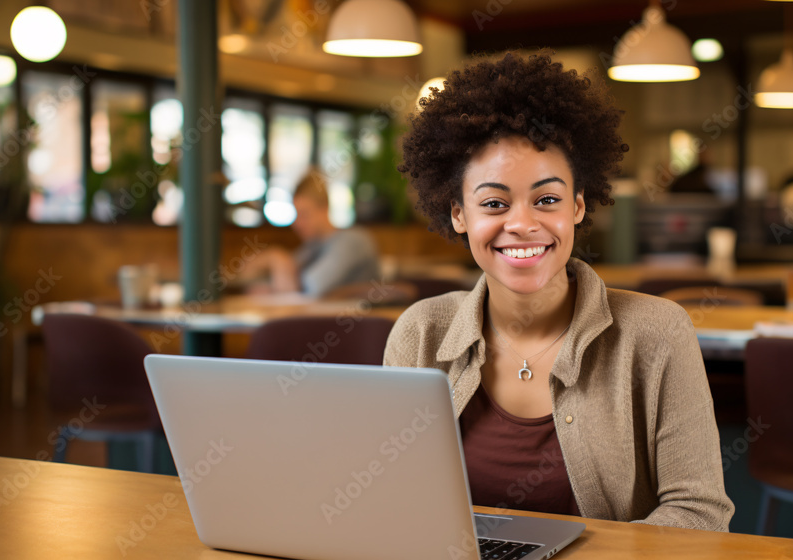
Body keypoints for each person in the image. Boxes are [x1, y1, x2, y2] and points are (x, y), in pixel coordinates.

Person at [384, 51, 733, 530]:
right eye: (493, 202)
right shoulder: (420, 334)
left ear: (578, 206)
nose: (523, 224)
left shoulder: (657, 332)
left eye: (547, 199)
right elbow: (395, 502)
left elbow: (700, 512)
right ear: (459, 214)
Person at [241, 169, 380, 297]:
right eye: (296, 215)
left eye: (304, 214)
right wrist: (274, 260)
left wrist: (278, 260)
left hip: (358, 322)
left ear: (324, 209)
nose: (297, 223)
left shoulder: (353, 240)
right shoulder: (313, 246)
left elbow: (313, 286)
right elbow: (274, 278)